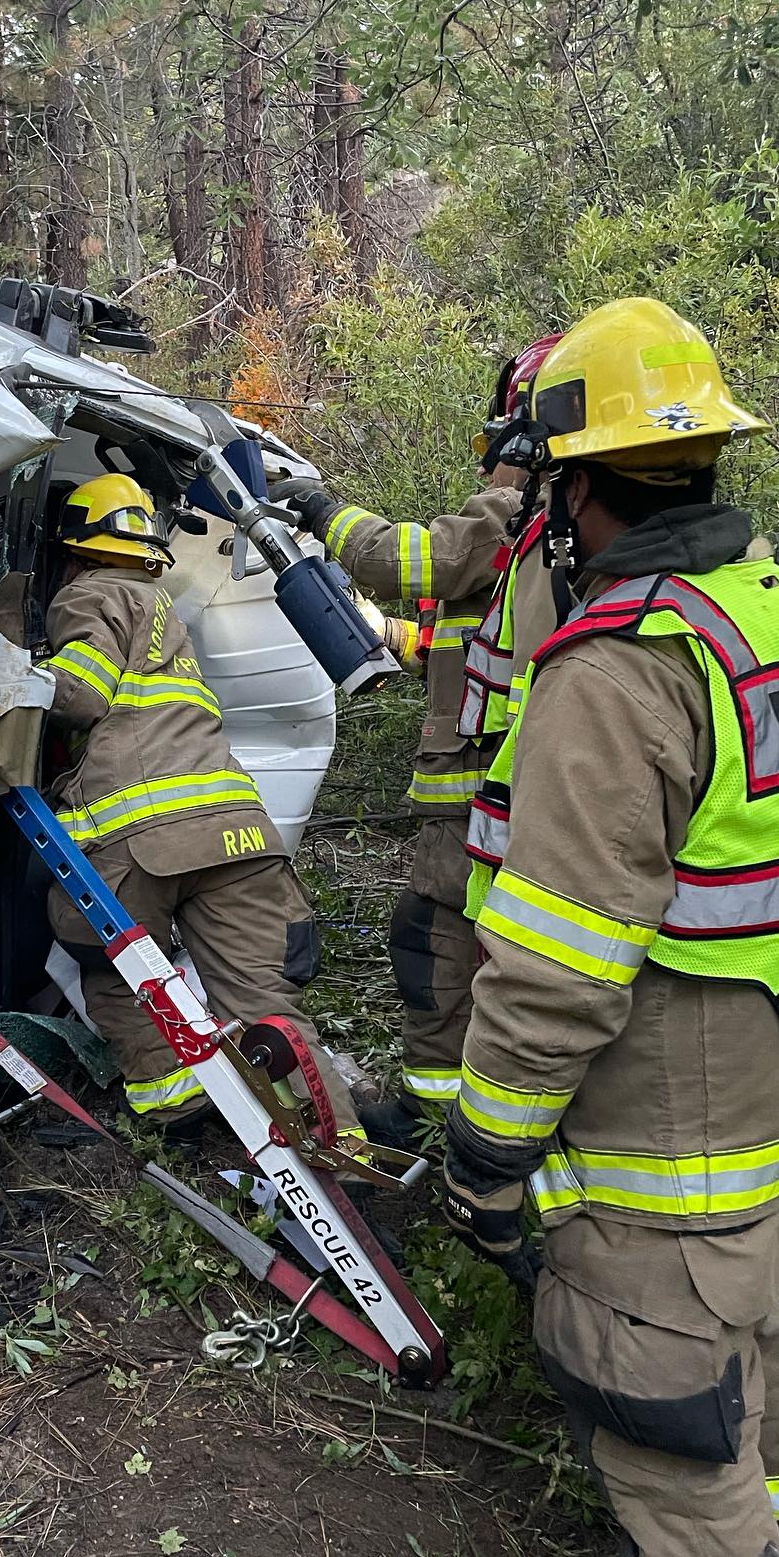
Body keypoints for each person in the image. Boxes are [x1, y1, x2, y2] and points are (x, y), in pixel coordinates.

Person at [439, 299, 779, 1557]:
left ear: (576, 490)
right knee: (755, 1337)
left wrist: (485, 1157)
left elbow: (561, 970)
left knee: (671, 1433)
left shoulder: (622, 669)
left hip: (674, 1165)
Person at [271, 336, 562, 1147]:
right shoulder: (568, 540)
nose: (493, 462)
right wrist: (371, 634)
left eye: (504, 437)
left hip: (482, 795)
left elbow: (412, 558)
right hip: (509, 790)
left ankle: (434, 1118)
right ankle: (466, 1112)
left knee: (437, 946)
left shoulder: (526, 515)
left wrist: (323, 513)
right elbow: (459, 635)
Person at [41, 471, 363, 1146]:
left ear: (73, 548)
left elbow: (83, 696)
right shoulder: (164, 613)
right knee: (265, 1005)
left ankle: (186, 1115)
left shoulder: (86, 593)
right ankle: (340, 1146)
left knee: (119, 976)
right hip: (240, 834)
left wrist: (9, 678)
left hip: (143, 841)